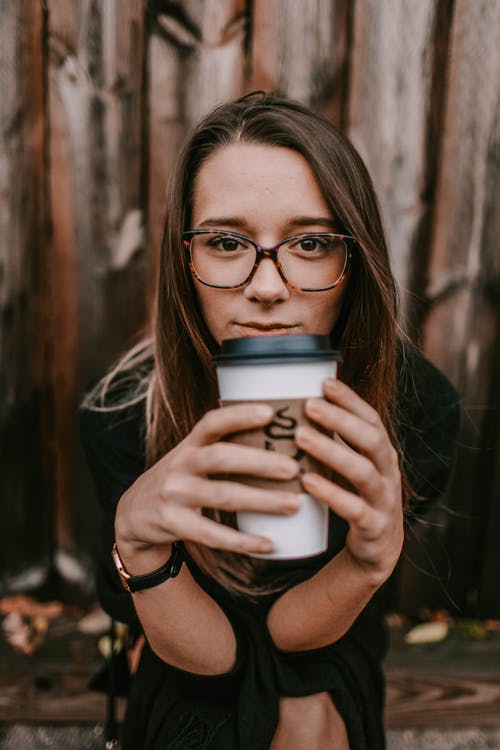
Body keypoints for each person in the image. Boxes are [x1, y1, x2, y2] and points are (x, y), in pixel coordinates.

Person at [80, 92, 459, 750]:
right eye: (226, 242)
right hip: (182, 643)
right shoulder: (123, 411)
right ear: (185, 262)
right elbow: (210, 662)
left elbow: (292, 633)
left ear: (353, 260)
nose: (266, 285)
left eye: (310, 242)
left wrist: (366, 565)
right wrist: (139, 548)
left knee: (309, 723)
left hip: (327, 630)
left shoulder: (414, 407)